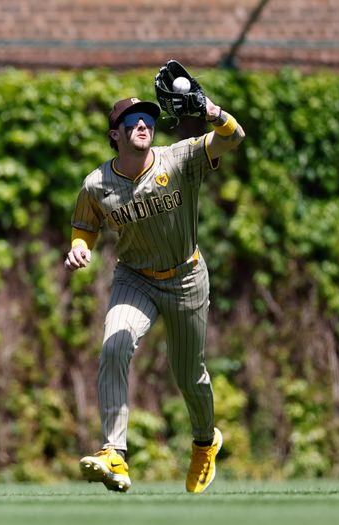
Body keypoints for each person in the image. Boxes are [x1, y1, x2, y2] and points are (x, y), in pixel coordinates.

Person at [64, 91, 245, 493]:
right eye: (132, 120)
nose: (143, 123)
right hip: (135, 279)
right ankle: (115, 453)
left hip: (186, 277)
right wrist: (79, 248)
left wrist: (211, 111)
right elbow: (85, 226)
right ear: (116, 134)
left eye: (147, 117)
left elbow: (233, 138)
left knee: (190, 375)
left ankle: (204, 442)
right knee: (114, 345)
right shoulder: (97, 184)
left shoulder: (179, 158)